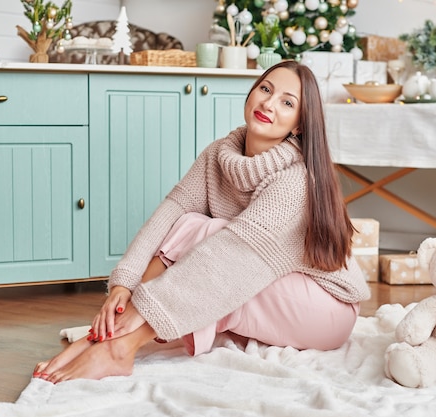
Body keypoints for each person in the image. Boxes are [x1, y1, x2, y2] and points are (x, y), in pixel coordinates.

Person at [33, 60, 371, 383]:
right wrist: (124, 284)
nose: (269, 104)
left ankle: (119, 347)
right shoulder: (218, 154)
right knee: (189, 223)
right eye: (265, 89)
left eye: (286, 102)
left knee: (207, 246)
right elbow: (170, 213)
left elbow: (232, 257)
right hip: (268, 287)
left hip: (325, 311)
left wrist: (146, 304)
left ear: (299, 124)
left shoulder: (294, 181)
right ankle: (100, 341)